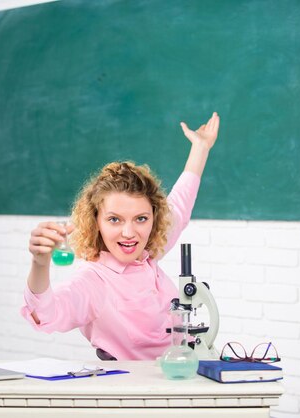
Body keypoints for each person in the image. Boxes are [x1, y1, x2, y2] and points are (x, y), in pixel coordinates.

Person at [21, 112, 220, 360]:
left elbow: (180, 202)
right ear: (96, 222)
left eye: (141, 219)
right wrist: (40, 263)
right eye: (114, 219)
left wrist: (200, 147)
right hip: (140, 392)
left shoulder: (148, 252)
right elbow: (46, 313)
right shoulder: (93, 282)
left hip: (185, 374)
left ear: (153, 219)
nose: (129, 233)